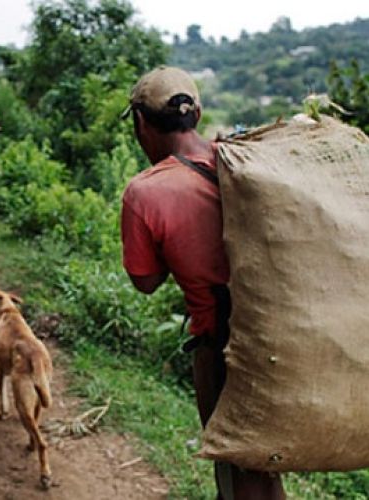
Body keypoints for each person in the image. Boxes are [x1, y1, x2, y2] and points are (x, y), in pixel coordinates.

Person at [119, 66, 285, 499]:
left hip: (224, 347)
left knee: (240, 471)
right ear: (198, 113)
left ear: (140, 123)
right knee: (266, 470)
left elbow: (146, 280)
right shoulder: (245, 159)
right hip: (284, 333)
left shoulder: (144, 193)